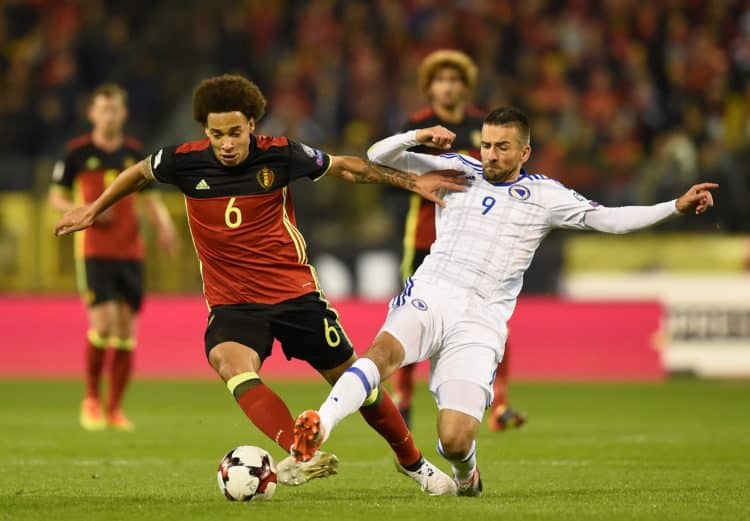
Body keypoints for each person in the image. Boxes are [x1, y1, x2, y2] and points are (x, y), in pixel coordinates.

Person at [55, 74, 468, 494]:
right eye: (217, 135)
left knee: (358, 383)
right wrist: (92, 208)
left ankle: (413, 462)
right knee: (228, 362)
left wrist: (413, 181)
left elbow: (345, 166)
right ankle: (297, 451)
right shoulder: (183, 160)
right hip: (234, 304)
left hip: (295, 295)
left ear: (252, 124)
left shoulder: (281, 155)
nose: (227, 144)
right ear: (206, 132)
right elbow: (137, 174)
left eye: (235, 132)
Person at [292, 107, 717, 496]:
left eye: (502, 147)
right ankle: (321, 424)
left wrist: (674, 207)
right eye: (487, 145)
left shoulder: (547, 197)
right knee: (380, 355)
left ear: (524, 151)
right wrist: (417, 135)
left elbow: (608, 219)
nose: (491, 155)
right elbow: (378, 154)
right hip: (432, 291)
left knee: (455, 441)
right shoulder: (458, 169)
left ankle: (467, 476)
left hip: (481, 319)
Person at [392, 49, 525, 431]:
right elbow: (394, 171)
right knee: (413, 315)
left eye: (455, 80)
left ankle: (500, 403)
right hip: (425, 238)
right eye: (441, 80)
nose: (448, 86)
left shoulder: (483, 127)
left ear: (465, 87)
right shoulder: (417, 126)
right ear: (429, 87)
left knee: (492, 316)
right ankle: (403, 398)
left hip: (478, 240)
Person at [49, 83, 178, 432]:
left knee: (126, 332)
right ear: (92, 113)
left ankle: (115, 408)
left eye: (115, 109)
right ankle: (91, 398)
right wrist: (86, 209)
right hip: (94, 251)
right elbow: (56, 197)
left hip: (131, 252)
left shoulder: (134, 153)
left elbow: (150, 198)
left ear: (124, 113)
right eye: (103, 109)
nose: (109, 116)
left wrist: (164, 225)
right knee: (103, 325)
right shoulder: (76, 153)